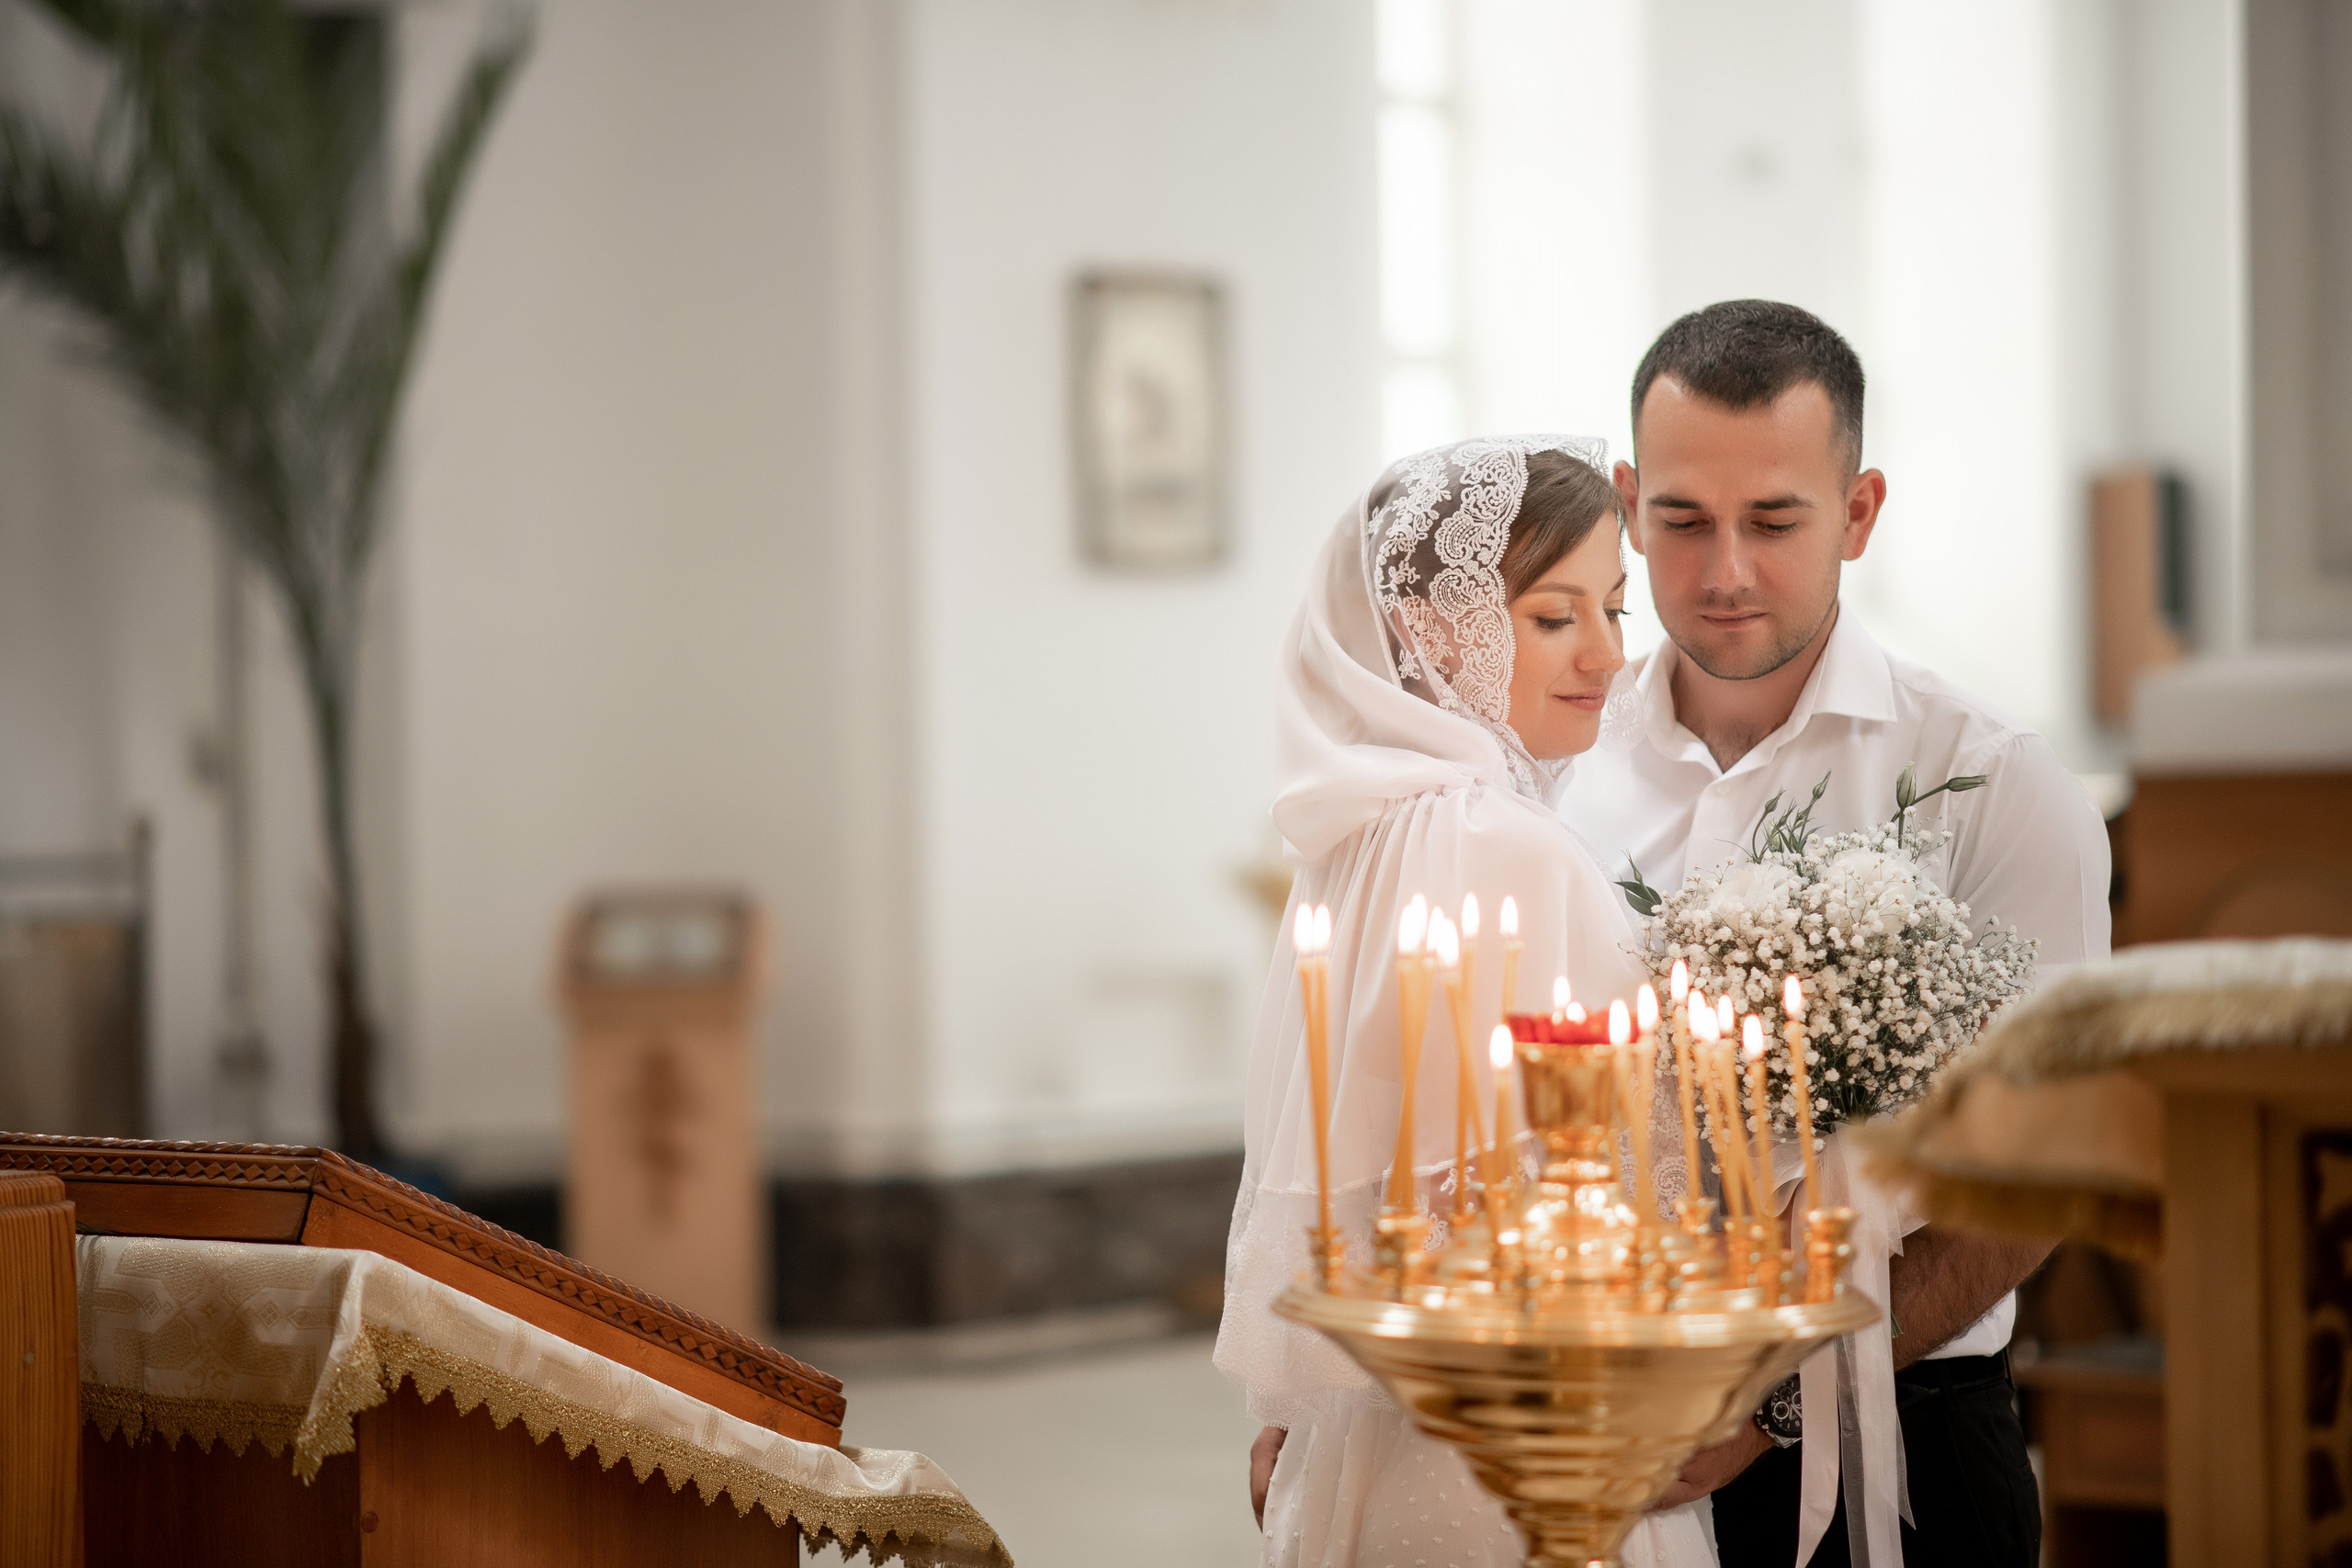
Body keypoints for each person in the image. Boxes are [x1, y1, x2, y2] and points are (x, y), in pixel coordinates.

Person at [1564, 299, 2111, 1567]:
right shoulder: (1553, 766)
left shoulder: (1993, 781)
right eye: (1683, 519)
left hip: (1903, 1436)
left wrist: (1771, 1401)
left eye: (1776, 520)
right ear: (1628, 499)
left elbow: (2040, 1174)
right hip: (1607, 1436)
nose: (1724, 571)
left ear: (1859, 511)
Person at [1216, 436, 1714, 1568]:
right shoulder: (1498, 840)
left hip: (1376, 1410)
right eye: (1554, 617)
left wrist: (1287, 1410)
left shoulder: (1367, 825)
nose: (1608, 653)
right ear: (1436, 630)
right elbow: (1608, 1167)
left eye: (1614, 608)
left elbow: (1343, 1162)